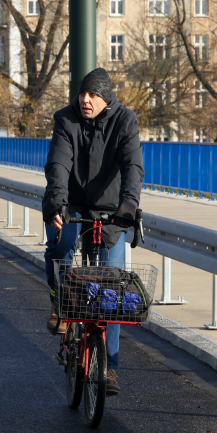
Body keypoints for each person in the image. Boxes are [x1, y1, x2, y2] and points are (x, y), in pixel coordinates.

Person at [42, 68, 144, 396]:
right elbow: (58, 165)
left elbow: (133, 167)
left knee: (111, 288)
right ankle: (60, 304)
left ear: (106, 98)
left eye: (93, 95)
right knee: (61, 247)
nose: (85, 100)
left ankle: (109, 368)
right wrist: (57, 203)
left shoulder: (125, 121)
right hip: (69, 203)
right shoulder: (65, 119)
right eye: (83, 93)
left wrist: (129, 206)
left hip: (110, 209)